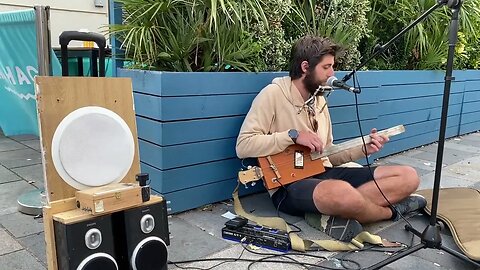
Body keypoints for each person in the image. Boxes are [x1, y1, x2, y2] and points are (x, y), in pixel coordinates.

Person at [235, 35, 426, 242]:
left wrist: (364, 149)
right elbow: (244, 145)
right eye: (326, 67)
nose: (332, 74)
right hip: (288, 185)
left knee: (408, 176)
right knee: (341, 192)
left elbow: (327, 153)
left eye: (332, 67)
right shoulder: (272, 94)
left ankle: (343, 210)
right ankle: (390, 211)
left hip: (322, 172)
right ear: (305, 66)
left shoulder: (318, 100)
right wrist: (293, 136)